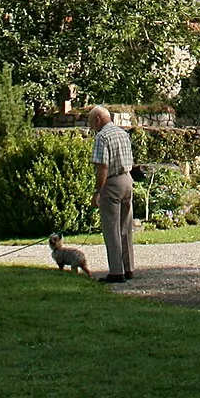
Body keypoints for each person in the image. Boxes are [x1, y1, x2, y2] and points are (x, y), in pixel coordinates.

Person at [86, 105, 134, 284]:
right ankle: (129, 268)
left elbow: (102, 167)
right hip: (127, 179)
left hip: (112, 182)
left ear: (98, 119)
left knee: (111, 228)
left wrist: (98, 191)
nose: (91, 126)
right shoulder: (123, 133)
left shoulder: (102, 136)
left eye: (91, 122)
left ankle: (116, 271)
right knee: (125, 227)